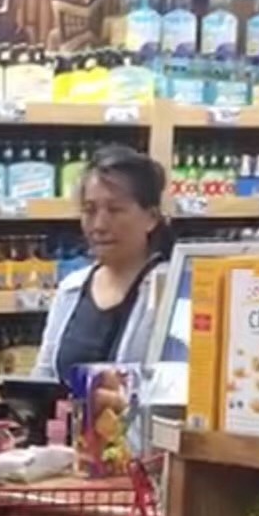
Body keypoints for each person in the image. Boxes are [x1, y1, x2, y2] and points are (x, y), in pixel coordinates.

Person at [35, 143, 169, 385]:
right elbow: (44, 376)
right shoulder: (71, 289)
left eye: (115, 210)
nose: (99, 225)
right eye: (89, 211)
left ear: (151, 218)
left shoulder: (170, 290)